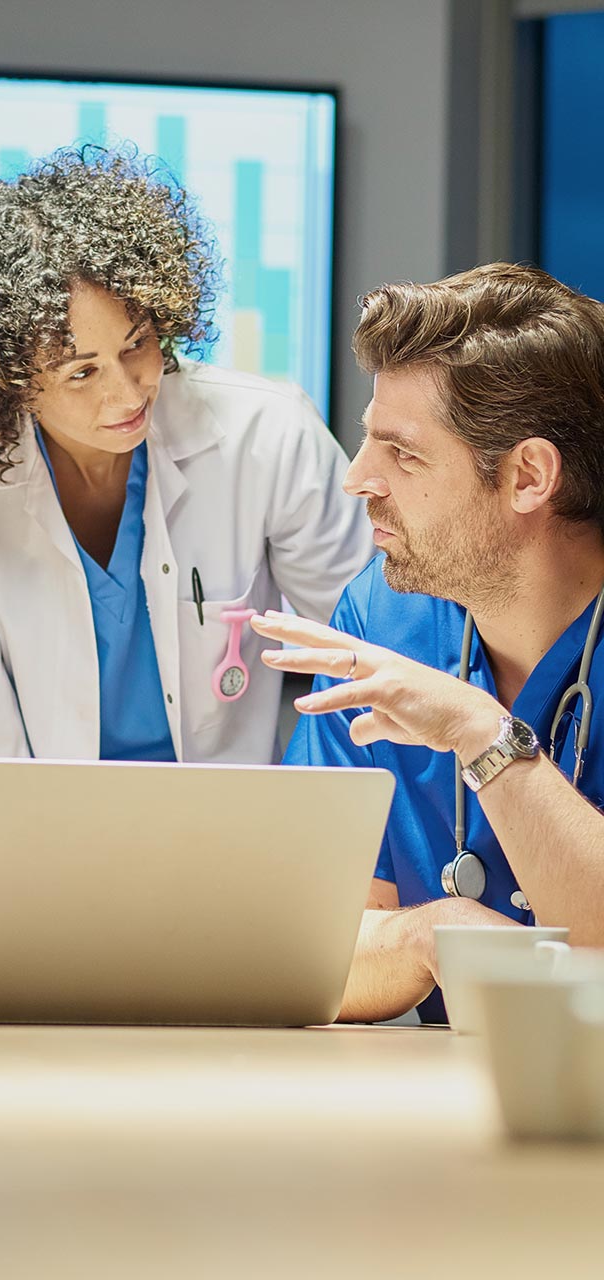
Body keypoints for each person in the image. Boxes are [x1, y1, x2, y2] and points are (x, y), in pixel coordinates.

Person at [0, 146, 372, 863]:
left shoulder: (265, 433)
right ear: (5, 381)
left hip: (239, 847)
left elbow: (369, 662)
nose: (127, 391)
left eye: (137, 345)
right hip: (33, 862)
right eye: (80, 371)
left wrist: (316, 847)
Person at [252, 262, 604, 1024]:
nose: (357, 479)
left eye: (401, 453)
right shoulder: (382, 619)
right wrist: (430, 935)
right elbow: (294, 948)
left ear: (527, 476)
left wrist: (482, 734)